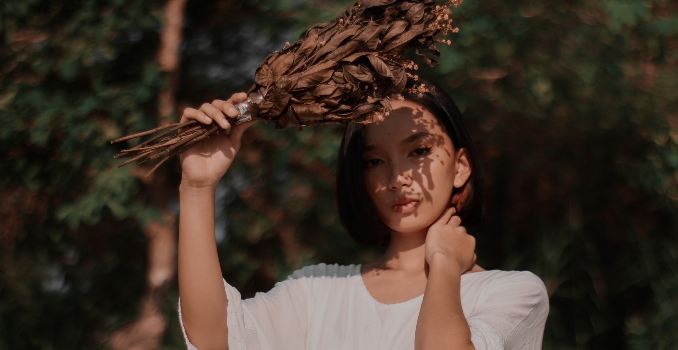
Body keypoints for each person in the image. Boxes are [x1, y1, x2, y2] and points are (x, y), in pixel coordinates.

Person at [177, 82, 549, 350]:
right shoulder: (317, 292)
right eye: (374, 161)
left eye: (418, 151)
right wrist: (197, 187)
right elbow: (214, 339)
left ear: (461, 166)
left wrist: (446, 266)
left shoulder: (512, 294)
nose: (397, 177)